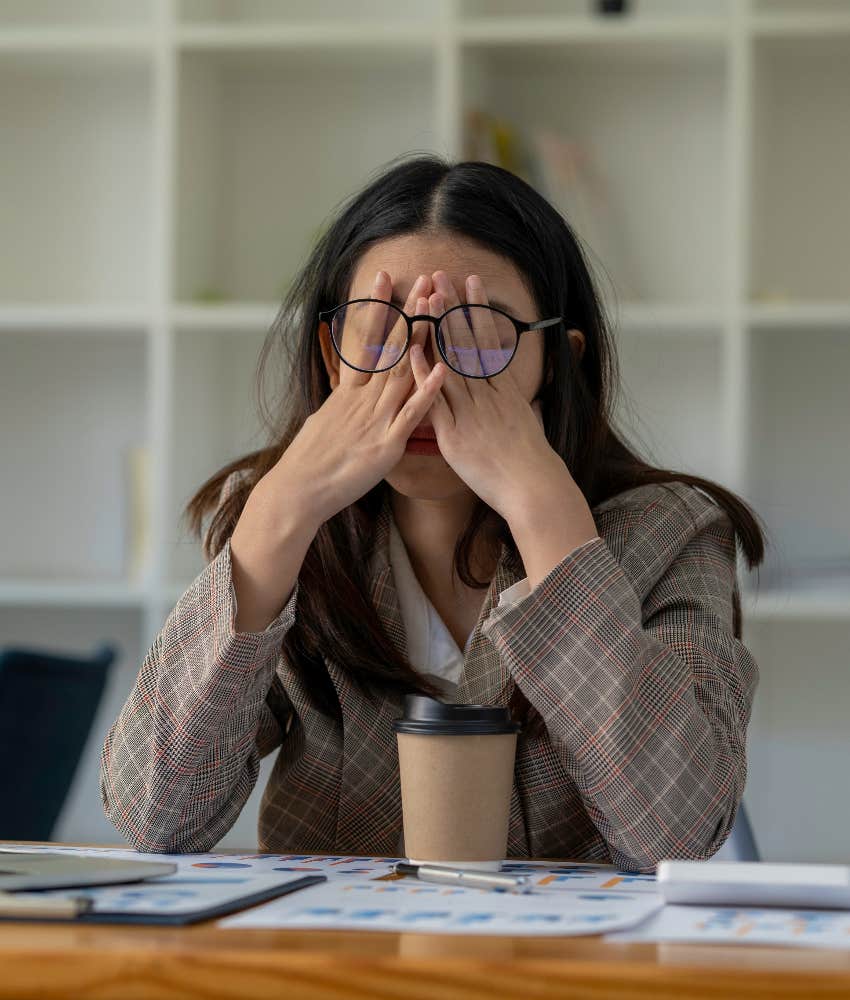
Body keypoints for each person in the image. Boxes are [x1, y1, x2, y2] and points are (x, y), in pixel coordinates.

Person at [100, 155, 765, 872]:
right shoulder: (282, 527)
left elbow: (677, 835)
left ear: (558, 362)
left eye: (476, 332)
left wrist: (547, 516)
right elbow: (152, 817)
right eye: (381, 328)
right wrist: (280, 512)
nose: (424, 375)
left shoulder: (674, 533)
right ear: (331, 356)